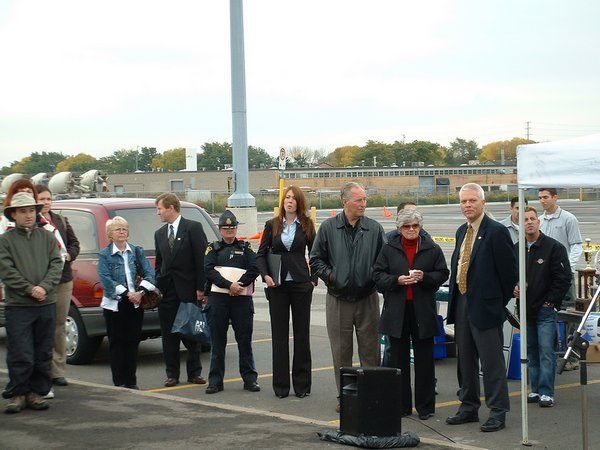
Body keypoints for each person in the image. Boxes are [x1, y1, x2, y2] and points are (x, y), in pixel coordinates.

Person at [445, 183, 517, 432]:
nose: (467, 205)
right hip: (462, 303)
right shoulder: (460, 232)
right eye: (464, 201)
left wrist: (496, 302)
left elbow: (509, 274)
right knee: (465, 361)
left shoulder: (496, 232)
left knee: (491, 362)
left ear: (483, 203)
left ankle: (498, 411)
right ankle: (468, 407)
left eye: (472, 201)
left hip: (486, 307)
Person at [309, 182, 385, 412]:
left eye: (364, 200)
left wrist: (372, 278)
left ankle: (372, 396)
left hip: (367, 298)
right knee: (341, 353)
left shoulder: (374, 228)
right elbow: (315, 259)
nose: (364, 204)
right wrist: (332, 277)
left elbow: (384, 261)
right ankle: (346, 397)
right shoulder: (329, 228)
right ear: (345, 202)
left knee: (370, 351)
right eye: (359, 200)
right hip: (338, 299)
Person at [373, 208, 449, 420]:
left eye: (415, 226)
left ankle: (425, 407)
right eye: (407, 226)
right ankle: (401, 405)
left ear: (420, 227)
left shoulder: (431, 248)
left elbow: (443, 273)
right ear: (399, 229)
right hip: (397, 311)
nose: (411, 230)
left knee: (425, 361)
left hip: (422, 311)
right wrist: (396, 280)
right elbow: (377, 275)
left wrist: (424, 277)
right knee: (398, 360)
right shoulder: (389, 248)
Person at [0, 192, 63, 413]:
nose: (28, 215)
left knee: (43, 351)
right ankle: (18, 394)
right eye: (23, 211)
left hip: (46, 303)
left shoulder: (46, 237)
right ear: (13, 214)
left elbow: (57, 264)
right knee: (20, 352)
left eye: (31, 211)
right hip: (19, 305)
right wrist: (29, 289)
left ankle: (36, 393)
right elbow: (7, 271)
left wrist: (43, 287)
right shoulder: (5, 241)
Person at [256, 186, 317, 399]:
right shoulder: (271, 225)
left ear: (299, 203)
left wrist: (313, 280)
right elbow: (260, 255)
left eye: (293, 198)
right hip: (277, 286)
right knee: (279, 336)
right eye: (287, 198)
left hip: (301, 285)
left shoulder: (307, 225)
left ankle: (302, 386)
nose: (289, 201)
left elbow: (316, 254)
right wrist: (265, 276)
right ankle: (281, 386)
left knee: (302, 336)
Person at [514, 206, 571, 408]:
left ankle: (547, 392)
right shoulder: (517, 248)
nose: (529, 222)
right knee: (531, 351)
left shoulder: (554, 248)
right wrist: (514, 288)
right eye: (525, 219)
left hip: (545, 310)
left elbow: (564, 279)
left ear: (539, 222)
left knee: (546, 350)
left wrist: (550, 302)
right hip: (525, 310)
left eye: (532, 218)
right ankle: (535, 389)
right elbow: (511, 275)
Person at [154, 193, 208, 387]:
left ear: (171, 208)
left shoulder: (192, 228)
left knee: (191, 333)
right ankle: (172, 374)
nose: (158, 213)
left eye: (159, 209)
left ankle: (194, 372)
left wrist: (201, 288)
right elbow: (160, 264)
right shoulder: (160, 233)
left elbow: (201, 260)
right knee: (169, 335)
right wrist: (157, 288)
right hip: (167, 293)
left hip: (188, 290)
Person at [204, 210, 260, 394]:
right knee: (217, 342)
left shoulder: (246, 248)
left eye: (232, 227)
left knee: (244, 341)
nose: (229, 230)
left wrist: (240, 284)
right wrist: (229, 285)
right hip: (219, 300)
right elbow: (208, 270)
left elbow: (255, 267)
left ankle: (250, 379)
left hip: (241, 300)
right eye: (225, 227)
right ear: (219, 229)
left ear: (236, 229)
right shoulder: (212, 248)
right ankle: (215, 381)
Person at [98, 216, 156, 389]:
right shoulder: (104, 255)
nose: (122, 232)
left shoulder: (136, 251)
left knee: (132, 342)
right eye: (117, 229)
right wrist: (127, 293)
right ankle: (119, 381)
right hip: (115, 304)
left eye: (124, 229)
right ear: (110, 234)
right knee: (117, 342)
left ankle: (132, 380)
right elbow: (106, 280)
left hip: (136, 303)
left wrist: (140, 292)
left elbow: (150, 274)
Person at [36, 185, 81, 395]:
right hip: (41, 281)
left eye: (48, 198)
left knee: (59, 326)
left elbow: (74, 244)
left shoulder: (61, 220)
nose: (46, 202)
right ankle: (41, 371)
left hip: (63, 279)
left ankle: (57, 371)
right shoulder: (33, 223)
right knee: (42, 326)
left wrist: (69, 256)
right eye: (42, 199)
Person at [538, 187, 583, 371]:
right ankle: (553, 353)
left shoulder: (568, 219)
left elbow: (576, 245)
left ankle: (572, 355)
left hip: (563, 277)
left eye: (546, 197)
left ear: (555, 197)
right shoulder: (539, 220)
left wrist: (567, 268)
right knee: (549, 314)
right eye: (540, 197)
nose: (542, 201)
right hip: (544, 278)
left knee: (571, 315)